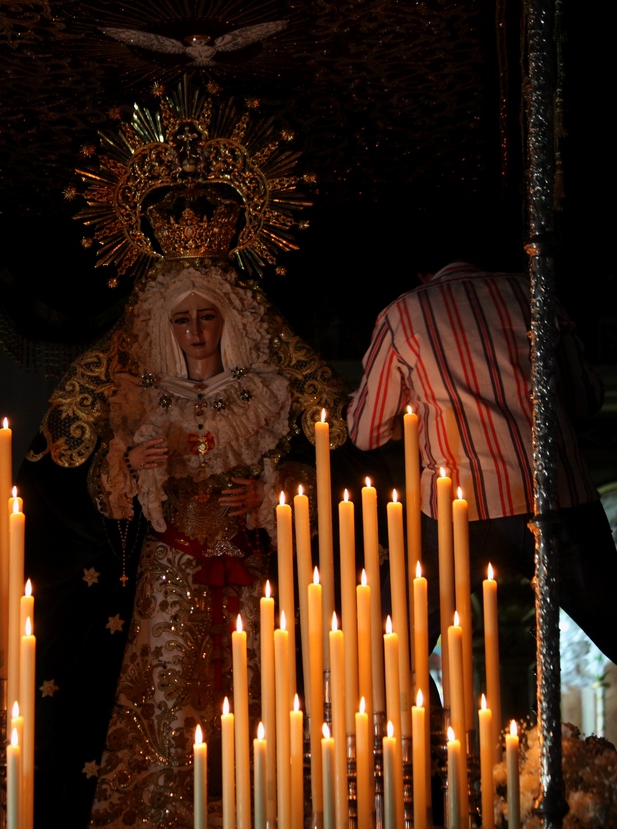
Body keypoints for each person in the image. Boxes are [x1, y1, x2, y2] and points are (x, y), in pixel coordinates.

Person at [20, 255, 374, 827]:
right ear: (166, 329)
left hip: (248, 575)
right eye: (182, 321)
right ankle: (163, 809)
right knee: (167, 693)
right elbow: (105, 495)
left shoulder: (268, 394)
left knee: (254, 684)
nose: (195, 332)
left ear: (228, 322)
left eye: (207, 317)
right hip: (169, 575)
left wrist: (271, 492)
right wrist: (132, 464)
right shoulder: (139, 397)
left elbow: (312, 473)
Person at [346, 260, 617, 766]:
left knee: (397, 646)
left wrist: (413, 413)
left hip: (461, 509)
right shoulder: (537, 293)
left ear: (424, 271)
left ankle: (434, 765)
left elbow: (364, 431)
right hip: (558, 500)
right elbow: (586, 397)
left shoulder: (403, 314)